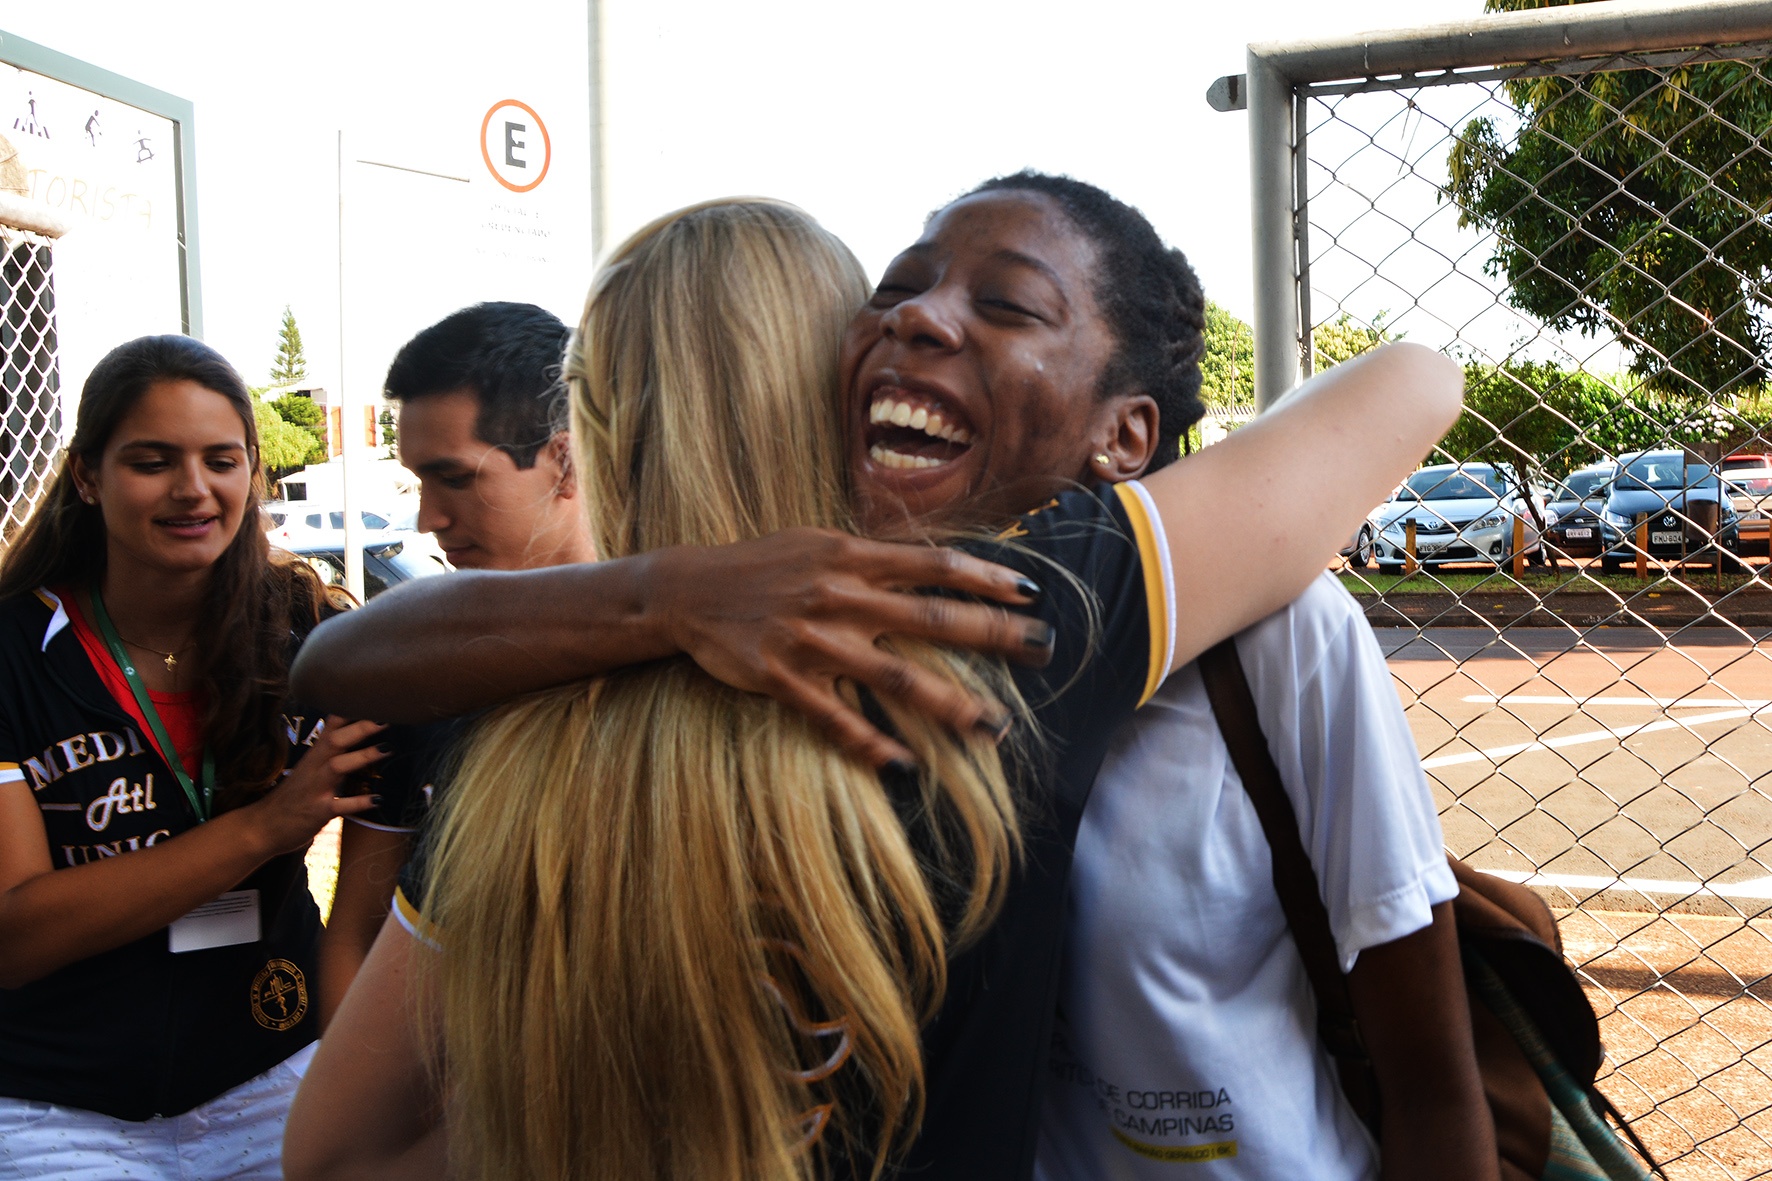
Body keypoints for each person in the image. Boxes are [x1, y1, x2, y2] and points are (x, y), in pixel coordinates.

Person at [286, 186, 1463, 1181]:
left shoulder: (523, 743)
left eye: (995, 303)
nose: (915, 326)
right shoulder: (992, 628)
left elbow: (332, 1154)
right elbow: (1413, 377)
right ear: (826, 385)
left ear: (587, 427)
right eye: (888, 300)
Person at [0, 335, 387, 1179]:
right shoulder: (12, 652)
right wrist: (268, 827)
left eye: (222, 459)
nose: (193, 489)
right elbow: (17, 931)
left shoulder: (312, 633)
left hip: (271, 1067)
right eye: (151, 460)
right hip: (57, 1105)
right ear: (87, 475)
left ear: (253, 469)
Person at [317, 301, 595, 1027]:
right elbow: (357, 930)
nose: (426, 519)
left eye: (457, 479)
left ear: (563, 460)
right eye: (418, 483)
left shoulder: (695, 651)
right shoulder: (420, 666)